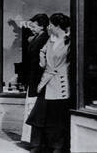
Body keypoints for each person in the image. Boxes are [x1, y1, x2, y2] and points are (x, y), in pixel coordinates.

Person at [26, 13, 71, 153]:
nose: (49, 27)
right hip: (46, 81)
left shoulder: (69, 41)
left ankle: (56, 146)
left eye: (51, 24)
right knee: (39, 113)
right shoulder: (51, 40)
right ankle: (37, 145)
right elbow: (42, 51)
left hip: (61, 83)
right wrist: (42, 61)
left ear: (57, 26)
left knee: (56, 117)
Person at [21, 14, 49, 143]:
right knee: (31, 108)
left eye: (34, 26)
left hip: (37, 78)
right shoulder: (37, 38)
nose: (32, 28)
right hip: (32, 77)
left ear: (42, 26)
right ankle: (31, 139)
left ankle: (36, 141)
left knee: (35, 109)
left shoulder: (45, 39)